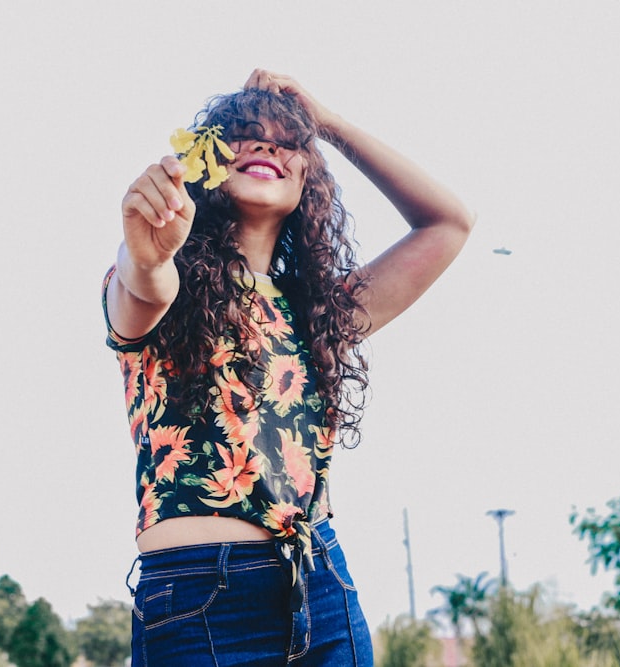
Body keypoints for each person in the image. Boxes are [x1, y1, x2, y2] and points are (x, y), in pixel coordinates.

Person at [102, 69, 474, 666]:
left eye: (288, 141)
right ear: (208, 167)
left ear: (309, 175)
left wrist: (328, 122)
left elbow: (448, 223)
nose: (267, 145)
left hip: (321, 586)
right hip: (200, 599)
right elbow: (143, 285)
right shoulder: (164, 280)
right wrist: (146, 254)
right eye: (245, 135)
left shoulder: (318, 311)